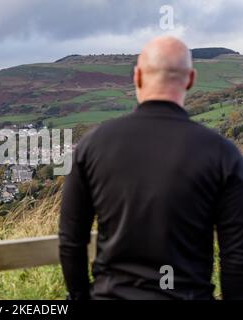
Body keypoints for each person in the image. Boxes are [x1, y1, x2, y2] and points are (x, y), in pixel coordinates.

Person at [59, 36, 243, 300]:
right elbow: (236, 256)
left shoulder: (93, 145)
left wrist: (78, 296)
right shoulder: (222, 154)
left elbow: (71, 240)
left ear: (137, 76)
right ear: (190, 79)